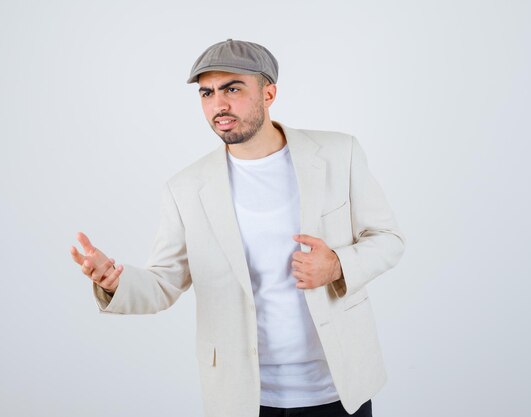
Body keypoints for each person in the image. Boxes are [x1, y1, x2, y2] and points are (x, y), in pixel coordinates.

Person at [70, 39, 405, 417]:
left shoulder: (337, 153)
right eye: (207, 93)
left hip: (338, 386)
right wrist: (115, 282)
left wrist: (338, 266)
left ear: (269, 92)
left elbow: (388, 239)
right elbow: (165, 281)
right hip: (243, 397)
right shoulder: (186, 188)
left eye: (232, 88)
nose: (219, 105)